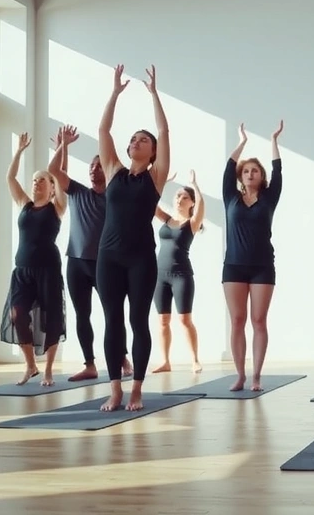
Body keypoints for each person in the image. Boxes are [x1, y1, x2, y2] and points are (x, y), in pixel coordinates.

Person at [95, 64, 171, 412]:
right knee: (112, 321)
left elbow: (163, 130)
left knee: (138, 321)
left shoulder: (155, 178)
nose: (137, 142)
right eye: (134, 139)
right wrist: (114, 93)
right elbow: (103, 129)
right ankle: (115, 389)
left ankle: (137, 388)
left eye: (144, 140)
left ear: (152, 151)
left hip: (141, 258)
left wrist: (154, 94)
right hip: (108, 257)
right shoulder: (113, 171)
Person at [46, 125, 133, 382]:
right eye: (91, 167)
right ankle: (90, 364)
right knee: (82, 314)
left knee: (112, 314)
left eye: (98, 166)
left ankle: (121, 357)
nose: (93, 170)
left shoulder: (114, 198)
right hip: (76, 262)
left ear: (107, 171)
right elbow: (54, 172)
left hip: (105, 264)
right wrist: (63, 146)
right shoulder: (78, 192)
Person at [0, 132, 67, 387]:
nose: (37, 183)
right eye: (34, 180)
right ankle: (31, 366)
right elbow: (10, 177)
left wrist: (61, 147)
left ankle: (48, 369)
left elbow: (61, 175)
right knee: (17, 315)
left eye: (42, 181)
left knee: (52, 320)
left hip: (48, 269)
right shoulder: (24, 204)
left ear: (51, 188)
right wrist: (18, 151)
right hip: (23, 270)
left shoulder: (57, 207)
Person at [222, 120, 284, 392]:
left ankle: (257, 375)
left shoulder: (269, 198)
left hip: (262, 267)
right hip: (233, 267)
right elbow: (227, 168)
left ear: (261, 176)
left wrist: (274, 141)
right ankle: (240, 374)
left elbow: (278, 171)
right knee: (237, 320)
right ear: (241, 175)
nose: (249, 174)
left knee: (258, 320)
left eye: (254, 171)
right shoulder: (230, 198)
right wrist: (242, 141)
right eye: (245, 171)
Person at [151, 170, 205, 374]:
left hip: (181, 275)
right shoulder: (166, 219)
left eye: (185, 196)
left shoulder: (191, 224)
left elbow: (201, 207)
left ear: (191, 203)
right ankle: (165, 361)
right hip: (160, 276)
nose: (180, 198)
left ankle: (195, 359)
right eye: (177, 195)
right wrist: (162, 183)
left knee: (185, 319)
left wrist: (195, 185)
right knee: (163, 320)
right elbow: (150, 201)